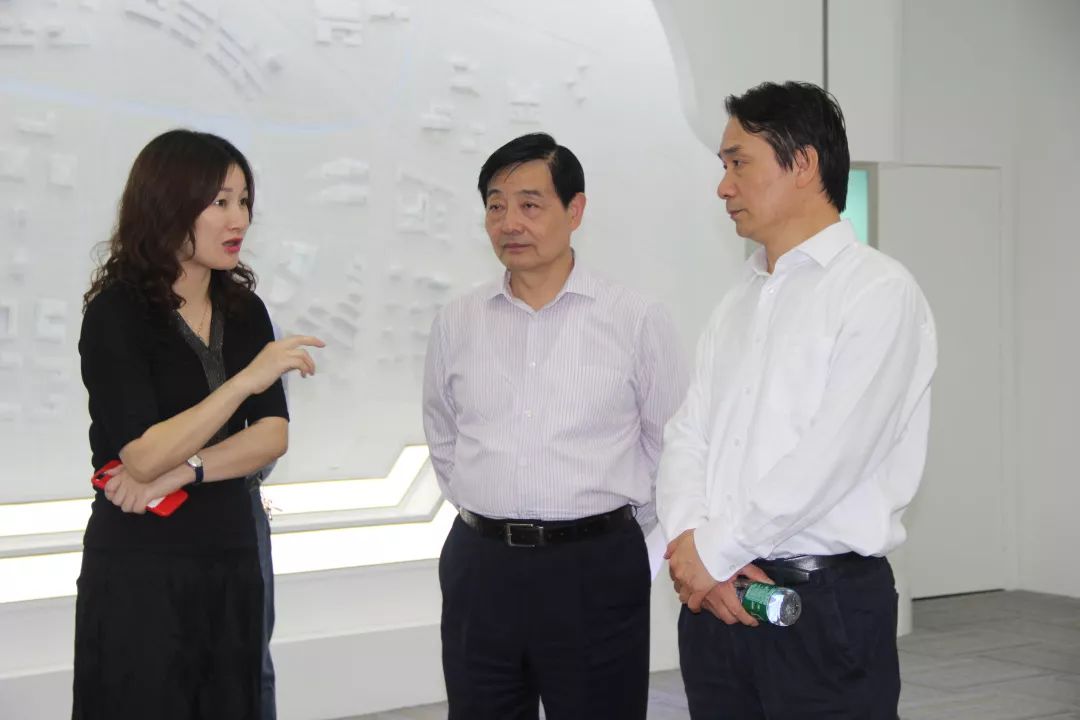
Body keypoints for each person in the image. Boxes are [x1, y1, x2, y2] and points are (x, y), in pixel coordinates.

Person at [658, 81, 937, 719]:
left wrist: (716, 553)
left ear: (803, 163)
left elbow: (831, 457)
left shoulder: (876, 292)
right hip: (720, 602)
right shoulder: (739, 299)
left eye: (738, 163)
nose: (723, 187)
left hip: (823, 606)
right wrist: (691, 543)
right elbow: (688, 434)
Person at [422, 132, 687, 720]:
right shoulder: (457, 320)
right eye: (495, 206)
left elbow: (671, 446)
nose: (509, 222)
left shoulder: (635, 319)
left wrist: (617, 539)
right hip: (480, 565)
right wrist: (489, 507)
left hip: (592, 568)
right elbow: (443, 433)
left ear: (575, 210)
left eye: (530, 204)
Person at [73, 129, 324, 720]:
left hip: (231, 543)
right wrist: (244, 382)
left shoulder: (245, 309)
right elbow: (141, 456)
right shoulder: (117, 312)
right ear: (168, 205)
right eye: (219, 202)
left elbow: (271, 436)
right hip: (143, 555)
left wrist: (184, 470)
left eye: (244, 201)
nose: (239, 219)